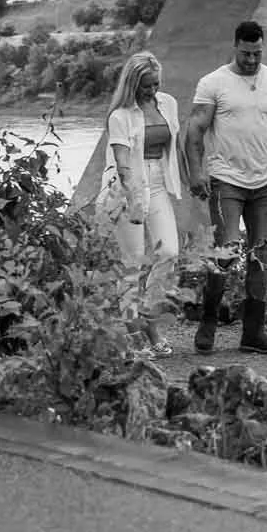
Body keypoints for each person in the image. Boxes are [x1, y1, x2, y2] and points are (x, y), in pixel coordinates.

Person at [185, 19, 267, 355]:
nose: (252, 60)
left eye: (256, 53)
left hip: (265, 182)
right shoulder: (214, 82)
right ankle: (208, 323)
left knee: (263, 253)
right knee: (226, 251)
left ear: (261, 48)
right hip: (225, 180)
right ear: (235, 46)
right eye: (245, 53)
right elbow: (194, 131)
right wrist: (196, 173)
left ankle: (253, 333)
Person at [99, 50, 185, 355]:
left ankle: (148, 319)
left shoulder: (169, 104)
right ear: (133, 84)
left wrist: (191, 181)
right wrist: (133, 199)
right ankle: (133, 338)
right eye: (146, 86)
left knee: (169, 252)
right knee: (132, 264)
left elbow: (175, 147)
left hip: (158, 183)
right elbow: (122, 163)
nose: (152, 91)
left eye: (155, 84)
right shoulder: (120, 116)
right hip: (127, 187)